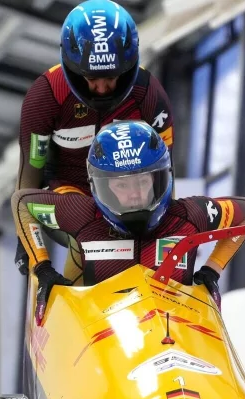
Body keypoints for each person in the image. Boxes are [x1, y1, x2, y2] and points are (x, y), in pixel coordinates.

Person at [11, 121, 245, 324]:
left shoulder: (189, 215)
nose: (134, 194)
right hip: (102, 341)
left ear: (160, 178)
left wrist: (212, 270)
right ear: (101, 186)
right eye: (121, 185)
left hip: (175, 334)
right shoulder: (81, 214)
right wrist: (41, 268)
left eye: (143, 182)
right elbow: (23, 204)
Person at [14, 0, 175, 286]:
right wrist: (25, 237)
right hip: (70, 190)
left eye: (111, 78)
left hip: (131, 195)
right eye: (91, 78)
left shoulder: (149, 95)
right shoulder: (46, 96)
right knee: (88, 232)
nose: (102, 88)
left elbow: (165, 171)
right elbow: (32, 167)